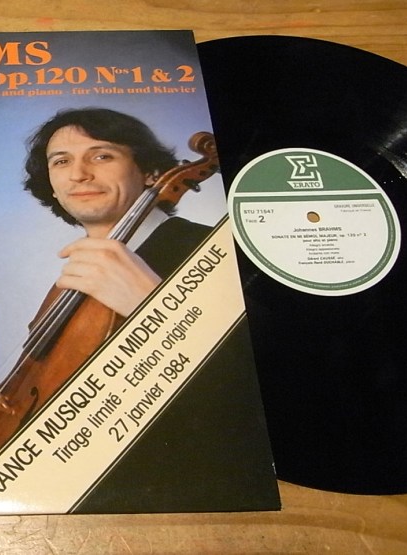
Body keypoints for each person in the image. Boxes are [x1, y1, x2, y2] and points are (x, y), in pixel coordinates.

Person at [20, 108, 279, 513]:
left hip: (191, 490)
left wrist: (154, 307)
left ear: (149, 172)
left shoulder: (217, 249)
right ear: (52, 187)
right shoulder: (70, 279)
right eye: (62, 162)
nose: (79, 174)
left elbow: (268, 384)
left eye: (102, 155)